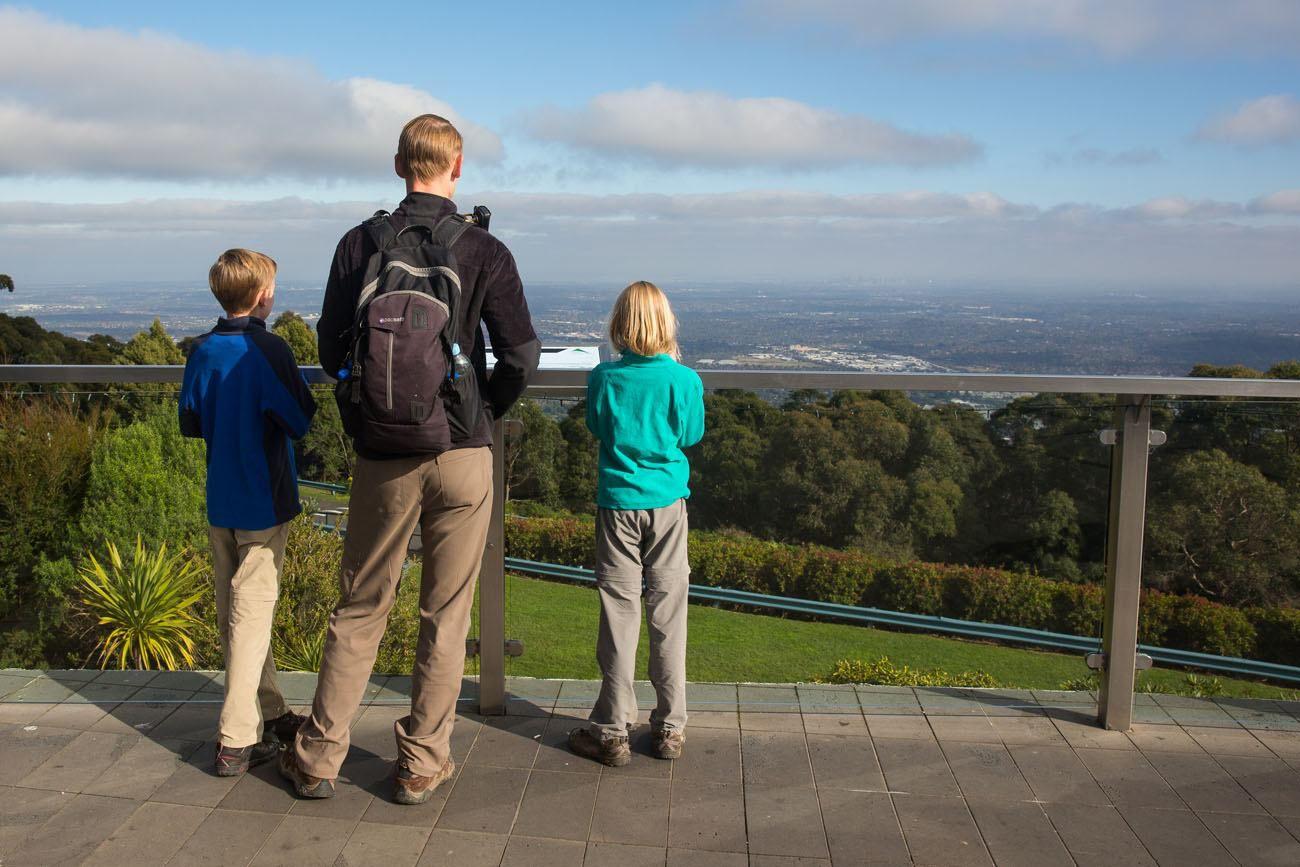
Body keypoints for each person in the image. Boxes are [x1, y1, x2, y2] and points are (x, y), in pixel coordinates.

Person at [280, 114, 540, 803]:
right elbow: (520, 354)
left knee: (361, 604)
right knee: (445, 613)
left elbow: (333, 350)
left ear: (401, 165)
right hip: (462, 451)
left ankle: (317, 756)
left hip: (383, 453)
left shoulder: (358, 243)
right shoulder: (484, 249)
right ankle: (422, 761)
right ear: (456, 168)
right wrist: (482, 410)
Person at [179, 248, 316, 776]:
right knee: (252, 611)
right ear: (263, 295)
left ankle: (272, 708)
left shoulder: (202, 350)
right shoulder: (271, 350)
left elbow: (191, 421)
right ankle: (236, 738)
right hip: (264, 498)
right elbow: (299, 416)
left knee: (236, 611)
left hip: (222, 497)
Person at [569, 281, 704, 767]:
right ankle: (669, 727)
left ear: (619, 326)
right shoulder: (684, 381)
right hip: (667, 503)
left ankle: (612, 731)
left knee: (619, 615)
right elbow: (690, 434)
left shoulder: (604, 378)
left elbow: (597, 428)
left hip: (617, 503)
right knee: (668, 614)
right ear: (667, 325)